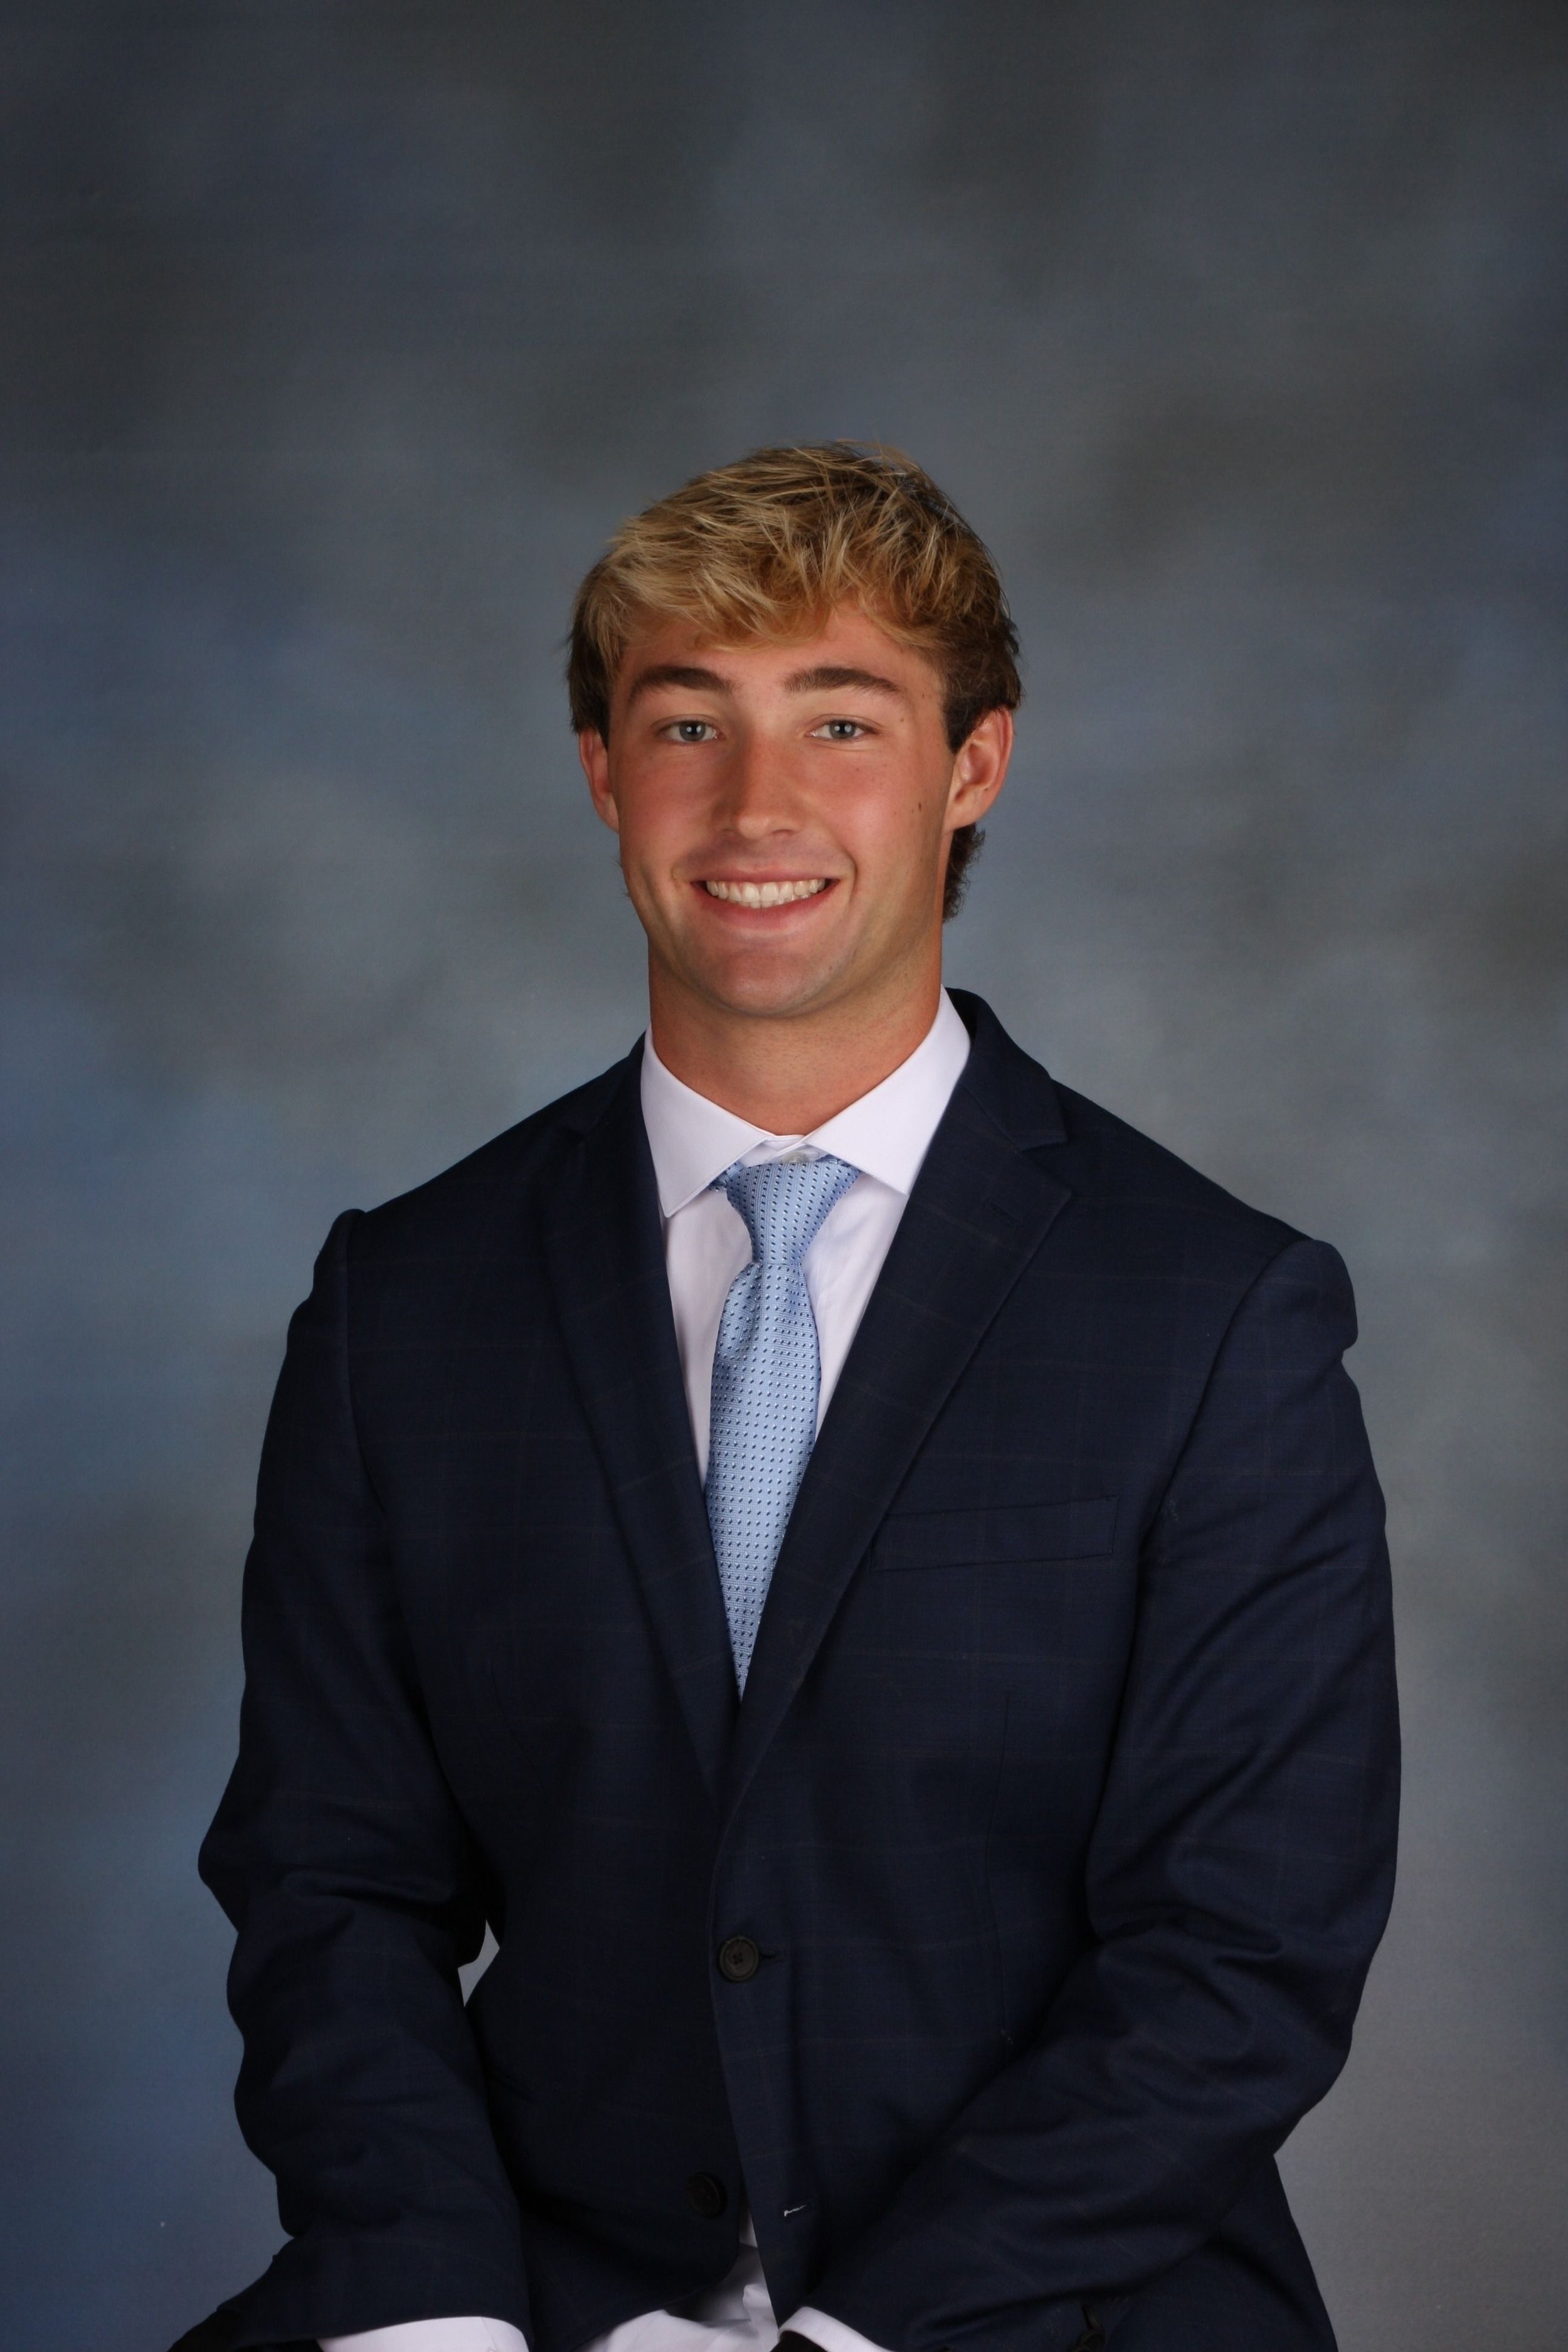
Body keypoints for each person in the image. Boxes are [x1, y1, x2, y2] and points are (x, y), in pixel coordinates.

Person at [172, 444, 1398, 2352]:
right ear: (602, 772)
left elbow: (1237, 1962)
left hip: (1045, 2304)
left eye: (841, 718)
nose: (756, 803)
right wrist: (434, 2319)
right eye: (686, 722)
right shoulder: (401, 1304)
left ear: (971, 764)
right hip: (525, 2288)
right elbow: (329, 1884)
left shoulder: (1213, 1313)